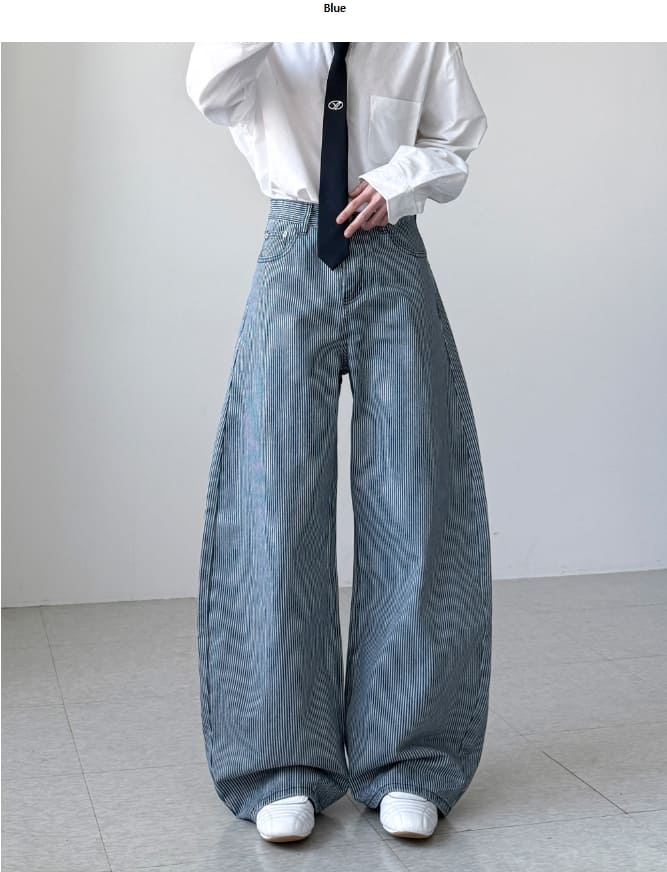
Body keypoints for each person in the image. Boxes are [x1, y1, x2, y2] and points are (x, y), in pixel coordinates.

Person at [185, 41, 492, 844]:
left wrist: (398, 180)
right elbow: (210, 89)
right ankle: (281, 765)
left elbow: (457, 135)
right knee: (273, 504)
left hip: (394, 254)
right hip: (291, 250)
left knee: (415, 500)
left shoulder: (416, 30)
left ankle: (409, 760)